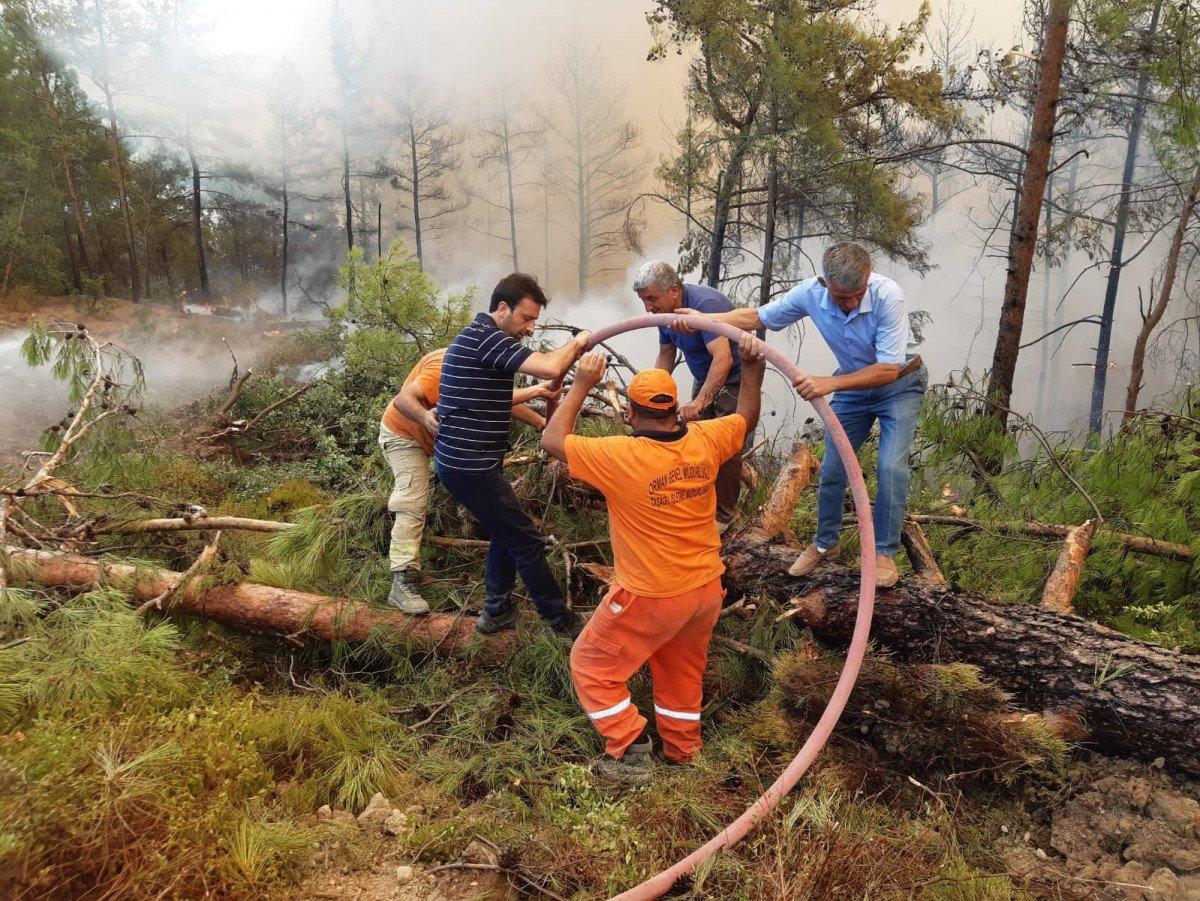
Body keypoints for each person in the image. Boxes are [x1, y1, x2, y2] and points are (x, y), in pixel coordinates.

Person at [541, 334, 765, 783]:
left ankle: (630, 747)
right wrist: (752, 369)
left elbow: (552, 439)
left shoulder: (620, 455)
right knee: (680, 674)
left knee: (591, 664)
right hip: (705, 590)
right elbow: (744, 418)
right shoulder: (704, 438)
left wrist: (582, 383)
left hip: (652, 593)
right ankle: (683, 753)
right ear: (675, 406)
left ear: (630, 413)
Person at [675, 242, 926, 588]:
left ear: (868, 278)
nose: (851, 303)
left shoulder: (888, 296)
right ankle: (826, 543)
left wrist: (828, 382)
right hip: (853, 386)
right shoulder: (810, 292)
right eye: (842, 298)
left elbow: (886, 368)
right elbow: (759, 317)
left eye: (858, 294)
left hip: (900, 383)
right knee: (835, 467)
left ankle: (883, 552)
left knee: (890, 467)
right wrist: (706, 320)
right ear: (824, 283)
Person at [435, 273, 591, 637]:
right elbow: (552, 366)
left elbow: (495, 399)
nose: (531, 328)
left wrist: (541, 418)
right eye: (526, 318)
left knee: (505, 532)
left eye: (535, 320)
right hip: (469, 466)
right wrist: (580, 343)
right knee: (526, 540)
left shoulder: (482, 340)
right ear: (502, 309)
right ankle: (560, 621)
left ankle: (497, 610)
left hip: (468, 464)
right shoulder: (487, 338)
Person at [378, 347, 556, 614]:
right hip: (405, 434)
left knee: (487, 499)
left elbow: (499, 398)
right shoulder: (446, 366)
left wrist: (542, 423)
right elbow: (404, 400)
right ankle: (403, 580)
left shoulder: (484, 368)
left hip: (440, 438)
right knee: (412, 500)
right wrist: (425, 417)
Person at [633, 260, 746, 530]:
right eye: (643, 300)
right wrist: (649, 397)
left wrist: (700, 402)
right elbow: (666, 354)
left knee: (726, 443)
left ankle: (725, 515)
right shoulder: (667, 313)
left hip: (734, 378)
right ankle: (698, 504)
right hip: (704, 376)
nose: (648, 308)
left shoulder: (705, 305)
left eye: (651, 298)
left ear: (674, 290)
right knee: (692, 440)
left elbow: (723, 359)